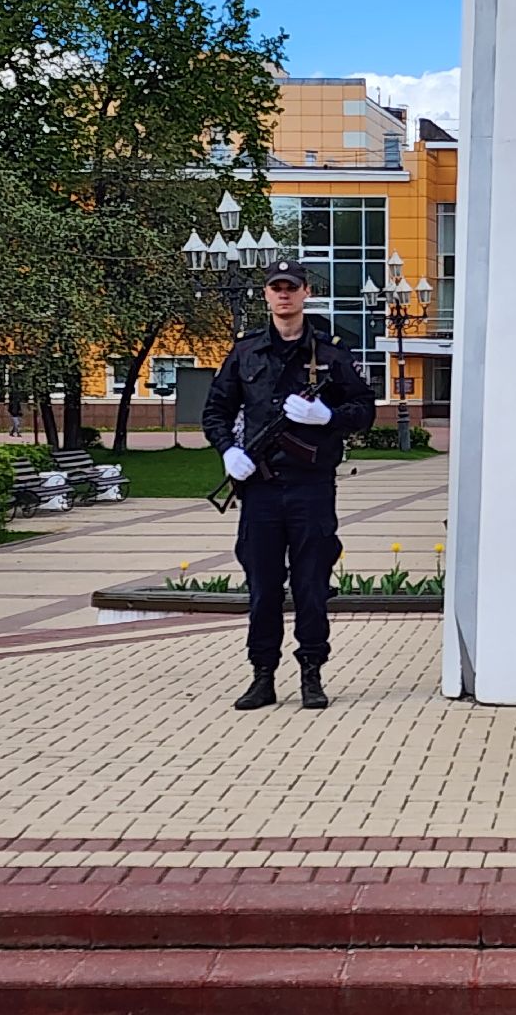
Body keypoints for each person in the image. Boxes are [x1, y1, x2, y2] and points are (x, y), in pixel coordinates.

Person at [202, 259, 376, 712]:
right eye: (276, 288)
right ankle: (262, 676)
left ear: (305, 294)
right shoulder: (246, 352)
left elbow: (364, 409)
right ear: (266, 295)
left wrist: (328, 416)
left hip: (310, 488)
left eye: (291, 288)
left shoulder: (331, 353)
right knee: (262, 587)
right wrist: (228, 451)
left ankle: (311, 673)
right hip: (260, 490)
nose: (284, 295)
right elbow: (216, 411)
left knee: (311, 585)